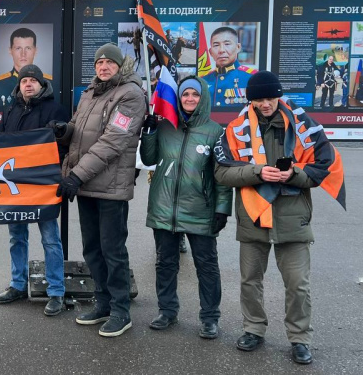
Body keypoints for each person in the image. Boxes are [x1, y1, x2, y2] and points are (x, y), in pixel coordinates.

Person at [214, 71, 342, 366]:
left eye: (270, 97)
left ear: (279, 96)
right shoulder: (235, 130)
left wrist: (293, 173)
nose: (265, 103)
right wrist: (256, 171)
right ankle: (253, 330)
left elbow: (323, 167)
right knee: (250, 281)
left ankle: (299, 339)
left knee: (298, 285)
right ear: (251, 100)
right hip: (253, 216)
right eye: (258, 98)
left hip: (292, 218)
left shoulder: (304, 126)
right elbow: (222, 172)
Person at [51, 43, 145, 338]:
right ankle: (102, 303)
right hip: (87, 184)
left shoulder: (130, 95)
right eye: (99, 63)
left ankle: (120, 311)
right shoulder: (90, 93)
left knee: (112, 251)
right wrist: (63, 131)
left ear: (120, 66)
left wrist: (75, 175)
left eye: (109, 62)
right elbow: (79, 131)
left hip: (110, 187)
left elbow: (113, 141)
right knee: (92, 248)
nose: (103, 67)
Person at [139, 77, 232, 339]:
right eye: (185, 94)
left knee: (207, 265)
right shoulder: (166, 126)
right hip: (164, 207)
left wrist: (222, 208)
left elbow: (222, 176)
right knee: (165, 263)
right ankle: (167, 310)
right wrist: (149, 132)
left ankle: (210, 317)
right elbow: (149, 159)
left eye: (195, 94)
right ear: (178, 98)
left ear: (203, 98)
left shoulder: (216, 132)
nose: (189, 98)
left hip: (200, 209)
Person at [0, 65, 69, 316]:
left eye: (33, 80)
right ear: (19, 84)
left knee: (50, 239)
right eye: (24, 80)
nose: (28, 84)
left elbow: (65, 145)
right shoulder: (11, 110)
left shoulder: (54, 109)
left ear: (41, 84)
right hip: (15, 186)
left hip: (43, 185)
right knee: (17, 236)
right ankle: (18, 284)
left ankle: (57, 291)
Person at [0, 28, 53, 106]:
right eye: (18, 48)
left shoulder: (49, 83)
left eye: (28, 48)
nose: (23, 54)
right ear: (10, 50)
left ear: (35, 50)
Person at [202, 26, 256, 107]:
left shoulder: (252, 78)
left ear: (238, 47)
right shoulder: (203, 80)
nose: (221, 50)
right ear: (210, 52)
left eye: (227, 44)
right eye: (216, 45)